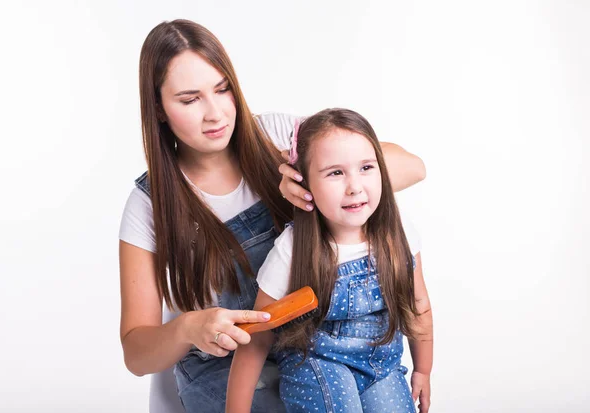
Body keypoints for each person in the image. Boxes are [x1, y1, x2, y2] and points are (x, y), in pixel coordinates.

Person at [118, 20, 427, 413]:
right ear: (159, 109)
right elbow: (136, 354)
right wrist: (188, 328)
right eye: (190, 99)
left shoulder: (277, 137)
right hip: (222, 369)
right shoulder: (149, 204)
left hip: (309, 348)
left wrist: (315, 183)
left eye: (222, 89)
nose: (215, 114)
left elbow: (413, 168)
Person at [226, 108, 433, 413]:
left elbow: (419, 305)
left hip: (380, 363)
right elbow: (257, 337)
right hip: (317, 363)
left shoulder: (397, 232)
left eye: (366, 167)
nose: (354, 186)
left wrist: (422, 370)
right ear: (303, 184)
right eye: (336, 173)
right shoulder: (293, 248)